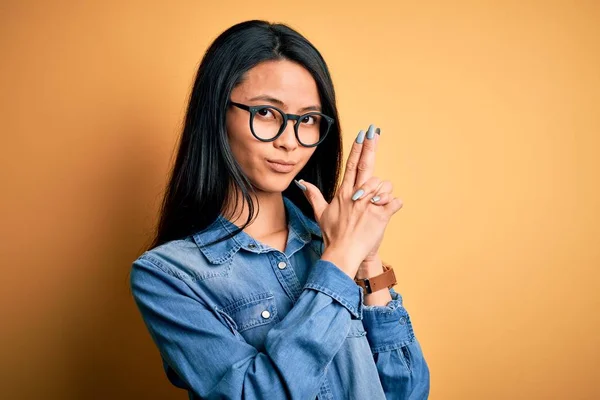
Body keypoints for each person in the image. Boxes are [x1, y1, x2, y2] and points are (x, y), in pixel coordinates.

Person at [130, 19, 430, 399]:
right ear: (217, 113)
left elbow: (407, 392)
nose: (290, 142)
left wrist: (367, 262)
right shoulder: (168, 276)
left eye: (307, 119)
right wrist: (339, 262)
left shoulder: (335, 240)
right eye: (267, 113)